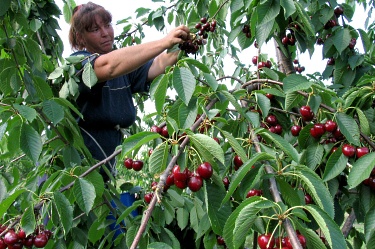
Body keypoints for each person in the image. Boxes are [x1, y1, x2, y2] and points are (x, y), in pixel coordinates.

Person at [68, 2, 190, 180]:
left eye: (107, 25)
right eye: (95, 29)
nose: (105, 33)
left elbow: (157, 65)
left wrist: (183, 43)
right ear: (80, 38)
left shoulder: (123, 68)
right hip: (73, 174)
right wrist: (164, 41)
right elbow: (108, 66)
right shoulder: (78, 65)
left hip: (102, 174)